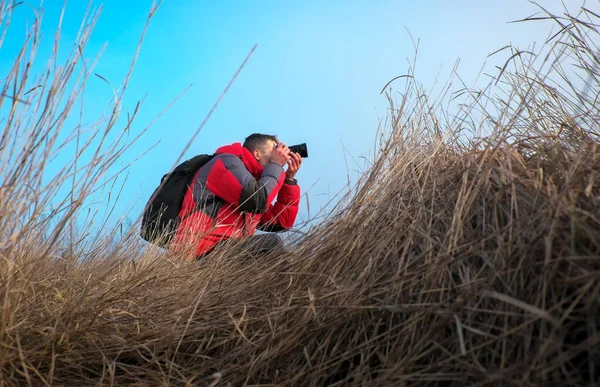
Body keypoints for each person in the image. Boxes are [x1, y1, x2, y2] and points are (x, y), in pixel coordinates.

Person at [170, 133, 302, 260]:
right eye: (275, 148)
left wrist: (289, 180)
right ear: (257, 153)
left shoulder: (251, 184)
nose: (280, 153)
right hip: (198, 250)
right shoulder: (226, 162)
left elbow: (280, 223)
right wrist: (276, 165)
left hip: (222, 249)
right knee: (271, 243)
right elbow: (257, 200)